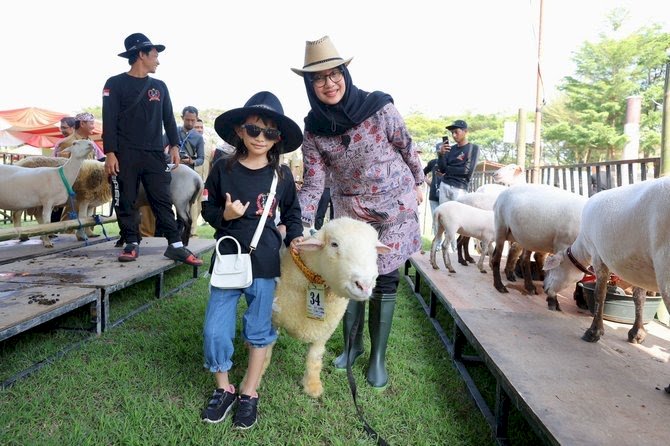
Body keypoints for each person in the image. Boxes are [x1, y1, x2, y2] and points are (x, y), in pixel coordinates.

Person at [292, 35, 424, 389]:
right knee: (349, 276)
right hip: (351, 215)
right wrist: (302, 223)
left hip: (394, 207)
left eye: (334, 74)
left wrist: (420, 182)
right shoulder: (313, 129)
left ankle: (377, 356)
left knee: (385, 279)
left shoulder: (378, 107)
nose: (328, 83)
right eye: (318, 78)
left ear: (345, 74)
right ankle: (352, 347)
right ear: (310, 85)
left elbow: (406, 146)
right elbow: (314, 183)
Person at [200, 91, 303, 428]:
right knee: (216, 329)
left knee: (259, 329)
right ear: (240, 131)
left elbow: (292, 213)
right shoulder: (221, 169)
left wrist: (297, 236)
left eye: (270, 133)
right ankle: (223, 388)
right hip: (228, 260)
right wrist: (226, 215)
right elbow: (208, 210)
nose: (262, 138)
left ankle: (248, 390)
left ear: (279, 139)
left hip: (265, 263)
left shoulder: (283, 177)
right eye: (254, 130)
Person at [102, 32, 203, 266]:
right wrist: (110, 153)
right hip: (124, 154)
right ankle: (131, 242)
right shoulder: (114, 84)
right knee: (125, 200)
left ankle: (176, 245)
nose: (158, 60)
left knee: (162, 199)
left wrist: (175, 146)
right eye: (154, 55)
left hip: (155, 154)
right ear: (141, 55)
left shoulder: (160, 86)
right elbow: (109, 119)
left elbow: (168, 117)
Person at [437, 120, 479, 205]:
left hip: (459, 188)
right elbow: (442, 169)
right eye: (452, 133)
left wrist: (448, 170)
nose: (454, 135)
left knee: (457, 217)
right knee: (442, 216)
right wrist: (441, 155)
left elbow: (467, 171)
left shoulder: (473, 148)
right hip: (444, 185)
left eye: (456, 132)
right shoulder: (450, 149)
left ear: (465, 131)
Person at [424, 140, 448, 235]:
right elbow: (422, 173)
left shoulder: (450, 163)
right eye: (440, 149)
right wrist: (429, 182)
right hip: (434, 196)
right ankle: (437, 245)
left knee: (447, 221)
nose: (443, 150)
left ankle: (447, 246)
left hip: (446, 196)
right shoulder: (433, 162)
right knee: (436, 221)